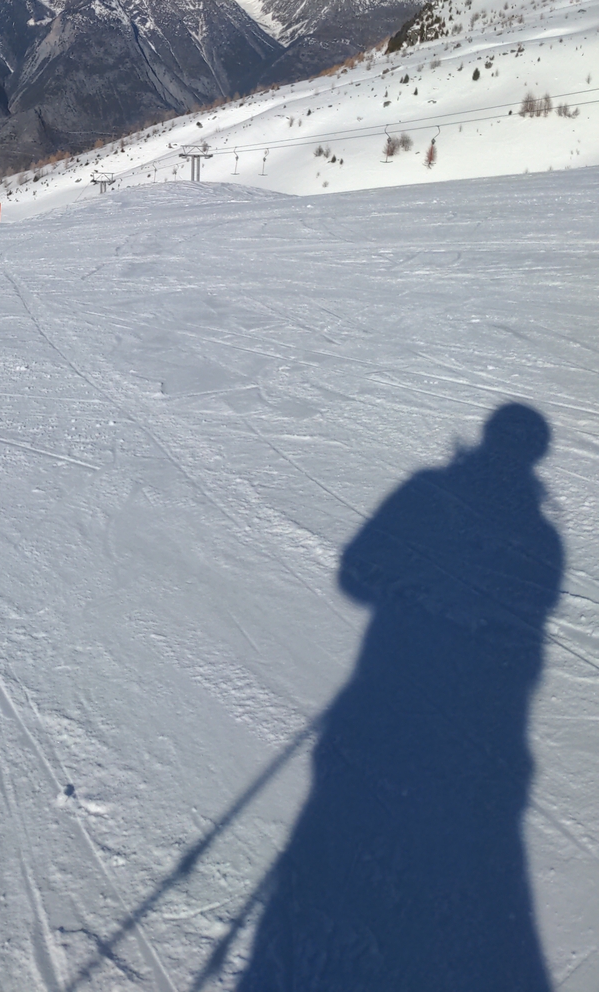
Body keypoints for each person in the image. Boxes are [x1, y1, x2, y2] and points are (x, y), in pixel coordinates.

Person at [236, 403, 563, 992]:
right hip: (477, 715)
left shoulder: (438, 493)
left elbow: (357, 574)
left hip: (404, 690)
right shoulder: (542, 536)